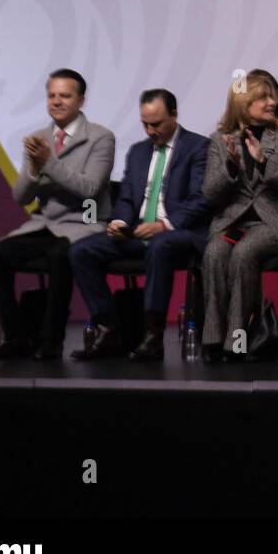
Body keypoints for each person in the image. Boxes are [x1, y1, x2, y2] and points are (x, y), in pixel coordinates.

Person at [0, 69, 115, 360]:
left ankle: (51, 340)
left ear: (81, 100)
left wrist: (48, 163)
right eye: (52, 95)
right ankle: (17, 336)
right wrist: (32, 169)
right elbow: (22, 197)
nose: (56, 101)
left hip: (85, 222)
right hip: (48, 223)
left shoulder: (100, 137)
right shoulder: (39, 138)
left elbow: (90, 189)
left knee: (60, 256)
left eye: (65, 95)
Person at [70, 89, 212, 361]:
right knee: (81, 251)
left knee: (161, 244)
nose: (150, 130)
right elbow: (126, 197)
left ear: (174, 115)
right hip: (136, 233)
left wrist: (164, 224)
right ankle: (109, 328)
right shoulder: (137, 152)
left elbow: (201, 199)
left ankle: (152, 335)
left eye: (156, 123)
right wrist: (120, 221)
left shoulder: (199, 147)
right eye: (144, 124)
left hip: (179, 235)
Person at [200, 72, 278, 363]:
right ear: (243, 103)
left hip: (276, 222)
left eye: (273, 95)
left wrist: (264, 161)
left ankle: (236, 342)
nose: (272, 102)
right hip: (234, 222)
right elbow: (210, 194)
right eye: (263, 97)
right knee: (214, 252)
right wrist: (231, 169)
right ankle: (212, 339)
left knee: (244, 253)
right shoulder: (220, 141)